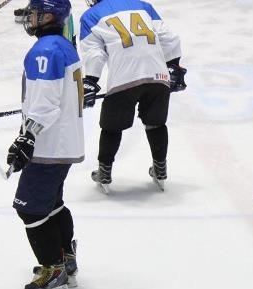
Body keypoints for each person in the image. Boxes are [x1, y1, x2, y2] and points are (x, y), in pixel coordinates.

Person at [5, 0, 85, 289]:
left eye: (35, 13)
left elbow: (46, 104)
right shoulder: (63, 46)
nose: (30, 17)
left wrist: (27, 138)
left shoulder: (45, 50)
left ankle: (54, 270)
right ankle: (66, 258)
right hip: (64, 141)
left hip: (50, 145)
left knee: (29, 208)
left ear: (48, 16)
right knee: (52, 204)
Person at [78, 0, 186, 193]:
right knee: (156, 123)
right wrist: (174, 66)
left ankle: (104, 172)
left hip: (123, 78)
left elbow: (94, 54)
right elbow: (169, 38)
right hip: (158, 75)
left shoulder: (90, 15)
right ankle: (160, 169)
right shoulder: (143, 6)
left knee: (111, 127)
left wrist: (91, 81)